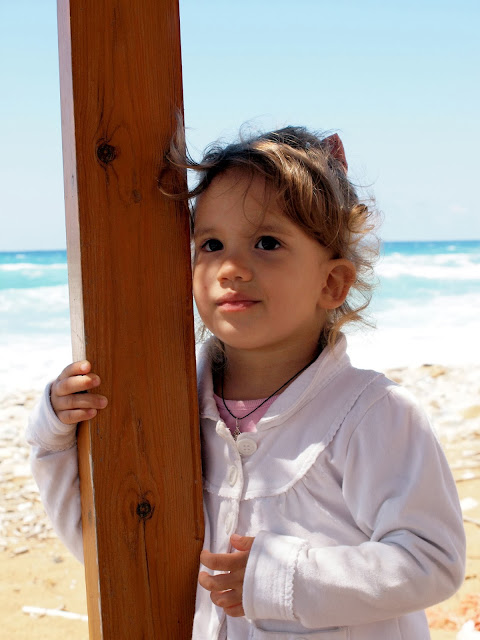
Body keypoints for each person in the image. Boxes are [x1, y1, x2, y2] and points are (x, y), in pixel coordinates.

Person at [27, 126, 465, 639]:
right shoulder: (167, 403)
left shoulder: (373, 414)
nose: (231, 267)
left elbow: (431, 561)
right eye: (210, 243)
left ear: (331, 283)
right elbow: (106, 547)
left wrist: (283, 579)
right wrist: (58, 433)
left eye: (266, 242)